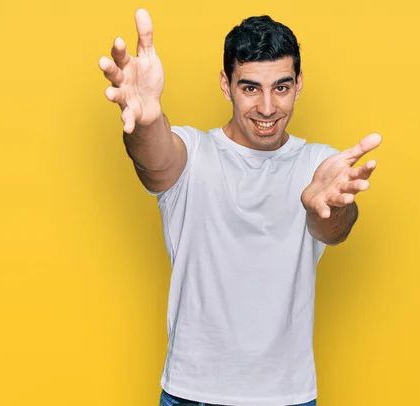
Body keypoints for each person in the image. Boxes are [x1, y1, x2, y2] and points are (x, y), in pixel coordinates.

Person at [98, 8, 381, 406]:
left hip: (287, 397)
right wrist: (146, 120)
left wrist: (330, 208)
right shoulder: (193, 154)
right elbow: (154, 162)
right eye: (250, 88)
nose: (267, 108)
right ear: (226, 85)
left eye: (281, 87)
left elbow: (333, 229)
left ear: (298, 84)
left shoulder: (319, 165)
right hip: (191, 395)